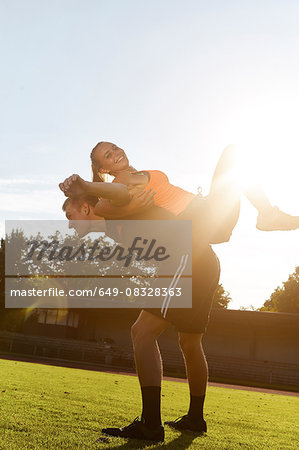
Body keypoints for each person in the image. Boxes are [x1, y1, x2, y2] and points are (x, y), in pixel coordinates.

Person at [59, 143, 299, 443]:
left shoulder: (113, 207)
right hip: (202, 258)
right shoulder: (112, 228)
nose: (69, 225)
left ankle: (150, 424)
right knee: (189, 341)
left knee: (142, 333)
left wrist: (89, 187)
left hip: (190, 254)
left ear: (84, 207)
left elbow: (123, 195)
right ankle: (195, 419)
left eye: (70, 216)